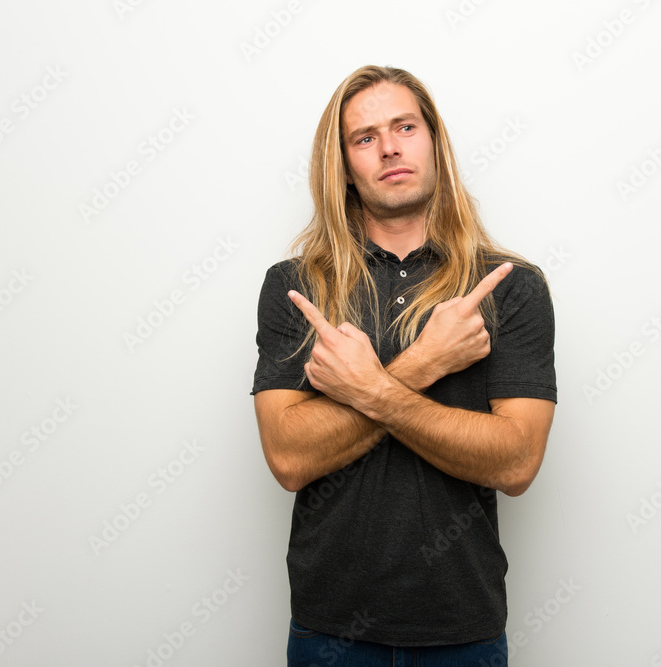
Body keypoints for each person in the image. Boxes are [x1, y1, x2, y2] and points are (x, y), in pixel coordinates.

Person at [251, 64, 557, 666]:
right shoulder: (296, 287)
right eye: (364, 137)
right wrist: (424, 363)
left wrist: (368, 388)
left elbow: (518, 462)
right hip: (328, 633)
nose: (389, 146)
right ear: (341, 165)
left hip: (462, 629)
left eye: (405, 127)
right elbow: (288, 459)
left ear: (434, 140)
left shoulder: (510, 288)